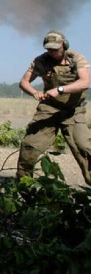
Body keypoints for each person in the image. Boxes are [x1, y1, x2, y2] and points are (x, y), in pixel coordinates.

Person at [16, 30, 91, 184]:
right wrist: (34, 92)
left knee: (85, 148)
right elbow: (24, 82)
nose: (52, 52)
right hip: (49, 109)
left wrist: (60, 90)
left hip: (73, 111)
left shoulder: (76, 59)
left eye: (55, 49)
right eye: (49, 49)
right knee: (29, 146)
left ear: (64, 45)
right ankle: (24, 188)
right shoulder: (41, 61)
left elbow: (85, 83)